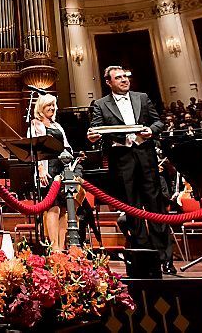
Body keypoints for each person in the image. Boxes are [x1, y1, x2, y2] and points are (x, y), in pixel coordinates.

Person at [87, 66, 171, 272]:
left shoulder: (142, 97)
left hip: (145, 156)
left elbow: (158, 121)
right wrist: (93, 136)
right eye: (119, 77)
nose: (124, 80)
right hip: (122, 159)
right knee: (131, 208)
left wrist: (151, 130)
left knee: (155, 205)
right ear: (109, 82)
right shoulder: (100, 104)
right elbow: (96, 128)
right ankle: (144, 256)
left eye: (125, 76)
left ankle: (164, 258)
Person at [28, 93, 71, 251]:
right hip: (48, 169)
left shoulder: (57, 125)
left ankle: (61, 246)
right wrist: (40, 169)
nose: (52, 108)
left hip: (62, 167)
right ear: (41, 108)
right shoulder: (35, 125)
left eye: (53, 105)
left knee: (64, 209)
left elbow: (66, 145)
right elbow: (36, 150)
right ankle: (54, 249)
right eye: (48, 106)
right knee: (53, 207)